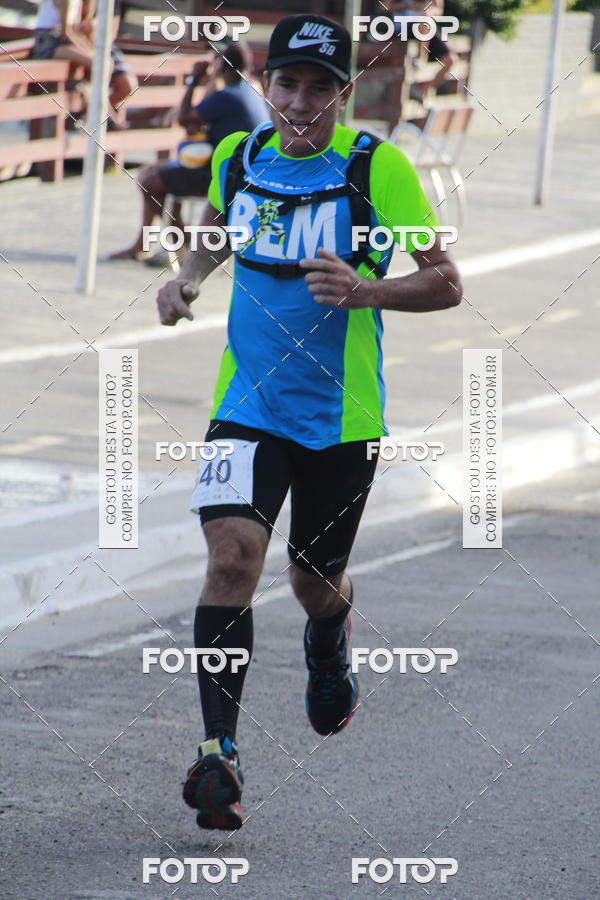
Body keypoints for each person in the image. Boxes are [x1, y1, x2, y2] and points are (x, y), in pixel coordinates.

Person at [155, 13, 463, 831]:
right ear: (267, 84)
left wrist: (367, 289)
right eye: (286, 83)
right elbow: (221, 228)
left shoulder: (378, 168)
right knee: (231, 561)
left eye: (319, 88)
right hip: (245, 404)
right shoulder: (241, 154)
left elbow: (446, 283)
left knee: (311, 580)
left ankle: (329, 643)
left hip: (340, 417)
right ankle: (218, 750)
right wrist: (185, 278)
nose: (299, 101)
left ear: (343, 93)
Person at [109, 42, 268, 261]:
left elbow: (184, 118)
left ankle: (182, 243)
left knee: (150, 183)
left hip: (220, 175)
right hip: (239, 171)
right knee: (149, 172)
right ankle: (162, 244)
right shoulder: (250, 89)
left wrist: (194, 80)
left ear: (223, 67)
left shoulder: (228, 96)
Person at [32, 0, 137, 127]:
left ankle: (94, 112)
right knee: (101, 64)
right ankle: (103, 115)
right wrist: (89, 50)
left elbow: (75, 30)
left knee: (103, 64)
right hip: (50, 41)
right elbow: (66, 33)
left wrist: (89, 50)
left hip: (61, 40)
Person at [393, 0, 456, 102]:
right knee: (423, 22)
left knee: (451, 59)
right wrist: (408, 6)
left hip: (426, 27)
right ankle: (422, 58)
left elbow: (439, 10)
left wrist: (428, 12)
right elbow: (387, 7)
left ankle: (424, 90)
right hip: (403, 26)